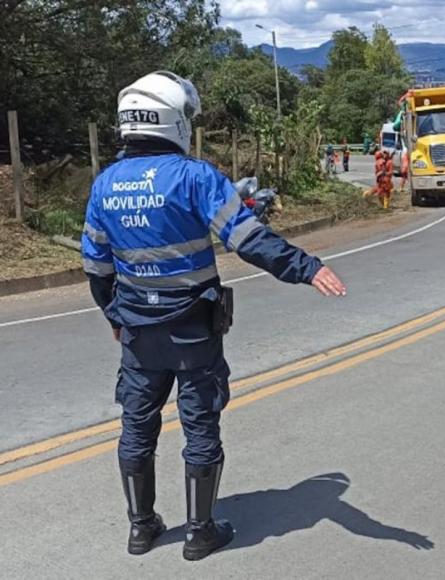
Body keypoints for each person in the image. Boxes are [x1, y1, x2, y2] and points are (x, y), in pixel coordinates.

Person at [81, 71, 346, 561]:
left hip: (137, 333)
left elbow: (96, 267)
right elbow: (250, 242)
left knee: (136, 427)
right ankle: (199, 532)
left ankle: (141, 529)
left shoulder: (104, 186)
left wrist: (113, 314)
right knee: (200, 426)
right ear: (172, 121)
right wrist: (307, 268)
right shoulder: (196, 177)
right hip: (192, 332)